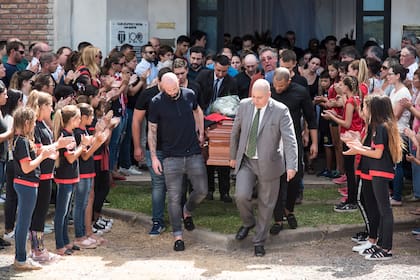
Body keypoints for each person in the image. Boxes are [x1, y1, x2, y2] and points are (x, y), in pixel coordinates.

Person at [230, 79, 298, 257]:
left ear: (269, 95)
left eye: (259, 97)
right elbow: (235, 132)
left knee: (266, 205)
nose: (255, 100)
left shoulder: (281, 110)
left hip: (270, 163)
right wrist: (232, 156)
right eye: (253, 96)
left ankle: (259, 241)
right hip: (247, 160)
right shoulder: (244, 105)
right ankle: (248, 222)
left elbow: (290, 140)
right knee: (241, 195)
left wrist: (292, 165)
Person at [148, 72, 207, 251]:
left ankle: (187, 210)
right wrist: (153, 157)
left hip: (193, 152)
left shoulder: (189, 94)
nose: (173, 92)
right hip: (170, 155)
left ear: (178, 83)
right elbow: (152, 130)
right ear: (162, 87)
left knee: (202, 190)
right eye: (168, 90)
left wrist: (201, 131)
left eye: (174, 89)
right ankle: (178, 236)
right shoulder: (156, 102)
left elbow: (197, 110)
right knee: (173, 197)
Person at [345, 95, 402, 260]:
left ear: (373, 110)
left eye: (365, 107)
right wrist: (358, 147)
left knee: (385, 210)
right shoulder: (379, 126)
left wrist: (358, 150)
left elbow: (377, 154)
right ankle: (379, 245)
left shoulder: (382, 127)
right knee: (382, 209)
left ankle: (386, 249)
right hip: (377, 170)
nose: (363, 110)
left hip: (380, 170)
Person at [269, 67, 318, 232]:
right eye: (275, 85)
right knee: (276, 178)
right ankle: (278, 219)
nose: (278, 89)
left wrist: (314, 143)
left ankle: (288, 209)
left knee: (295, 178)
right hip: (273, 140)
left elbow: (311, 118)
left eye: (281, 86)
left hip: (293, 140)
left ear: (289, 81)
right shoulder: (269, 91)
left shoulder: (300, 92)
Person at [12, 107, 56, 270]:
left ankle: (20, 257)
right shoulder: (22, 141)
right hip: (26, 185)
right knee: (24, 222)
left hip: (25, 184)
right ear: (26, 123)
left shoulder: (20, 139)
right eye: (32, 123)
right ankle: (21, 259)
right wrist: (42, 157)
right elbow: (27, 167)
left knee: (23, 222)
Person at [132, 68, 171, 236]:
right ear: (159, 81)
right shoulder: (148, 95)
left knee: (177, 184)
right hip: (155, 147)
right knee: (158, 184)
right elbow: (136, 120)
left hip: (176, 147)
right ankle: (157, 220)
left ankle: (180, 216)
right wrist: (137, 146)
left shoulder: (180, 94)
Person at [195, 54, 238, 202]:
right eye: (218, 70)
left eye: (224, 71)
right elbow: (196, 96)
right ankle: (209, 190)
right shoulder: (203, 76)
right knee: (207, 155)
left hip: (221, 121)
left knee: (223, 156)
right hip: (203, 118)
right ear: (214, 66)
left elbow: (233, 103)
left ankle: (224, 192)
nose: (220, 74)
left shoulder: (232, 82)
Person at [322, 75, 364, 212]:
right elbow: (348, 119)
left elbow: (346, 123)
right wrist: (335, 115)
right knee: (351, 170)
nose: (340, 86)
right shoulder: (356, 99)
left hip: (350, 138)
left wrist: (332, 117)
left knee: (350, 170)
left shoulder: (350, 101)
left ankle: (352, 201)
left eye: (342, 84)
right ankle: (351, 199)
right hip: (354, 136)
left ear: (347, 87)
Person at [53, 105, 87, 256]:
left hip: (72, 175)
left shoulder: (70, 133)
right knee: (61, 211)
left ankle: (66, 241)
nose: (80, 120)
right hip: (65, 176)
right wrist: (83, 146)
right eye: (78, 118)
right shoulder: (64, 134)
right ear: (72, 119)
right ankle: (60, 244)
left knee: (66, 212)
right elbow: (71, 156)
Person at [387, 64, 412, 206]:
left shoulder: (403, 92)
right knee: (394, 164)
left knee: (398, 165)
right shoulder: (394, 91)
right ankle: (393, 192)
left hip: (400, 132)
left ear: (397, 76)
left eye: (391, 74)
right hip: (392, 130)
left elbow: (395, 115)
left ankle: (397, 196)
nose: (388, 76)